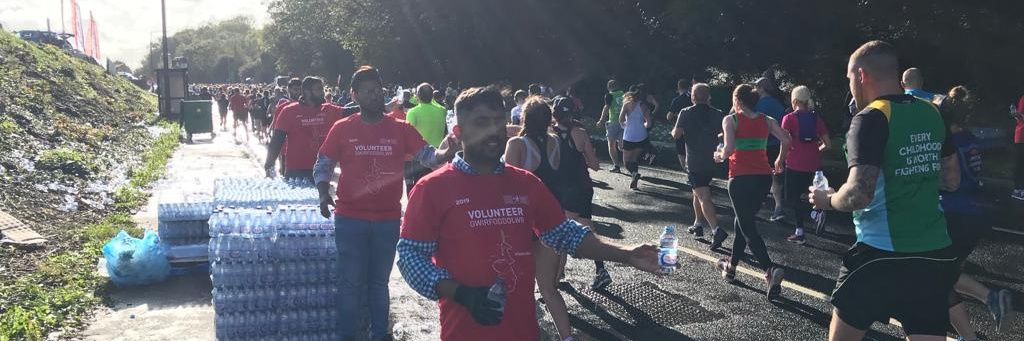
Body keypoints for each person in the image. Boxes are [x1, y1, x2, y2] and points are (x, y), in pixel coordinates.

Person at [396, 85, 660, 341]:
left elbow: (564, 234)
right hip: (464, 332)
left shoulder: (526, 183)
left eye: (498, 122)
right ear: (458, 131)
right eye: (481, 122)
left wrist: (626, 254)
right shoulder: (433, 188)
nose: (492, 131)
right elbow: (410, 256)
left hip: (524, 332)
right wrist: (460, 293)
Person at [809, 40, 961, 341]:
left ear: (861, 76)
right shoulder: (932, 112)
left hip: (880, 254)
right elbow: (951, 180)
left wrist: (826, 200)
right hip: (934, 252)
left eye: (850, 79)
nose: (851, 86)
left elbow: (858, 194)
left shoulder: (870, 118)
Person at [313, 66, 456, 341]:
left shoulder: (400, 128)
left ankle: (379, 335)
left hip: (387, 221)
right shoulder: (342, 128)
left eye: (378, 90)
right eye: (368, 92)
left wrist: (446, 152)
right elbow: (323, 163)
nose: (375, 96)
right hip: (350, 220)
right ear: (354, 95)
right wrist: (322, 192)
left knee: (379, 284)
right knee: (351, 284)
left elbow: (427, 156)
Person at [938, 86, 1015, 340]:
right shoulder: (970, 139)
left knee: (937, 277)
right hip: (974, 212)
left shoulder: (949, 143)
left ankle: (989, 298)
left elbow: (951, 181)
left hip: (954, 214)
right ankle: (969, 329)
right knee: (948, 275)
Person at [713, 84, 790, 299]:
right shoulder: (766, 120)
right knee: (743, 221)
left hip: (740, 178)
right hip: (763, 178)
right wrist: (779, 161)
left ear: (736, 100)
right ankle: (731, 267)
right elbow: (786, 139)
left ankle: (769, 269)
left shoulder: (731, 120)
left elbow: (728, 150)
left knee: (747, 225)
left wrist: (719, 156)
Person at [263, 77, 343, 181]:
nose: (322, 93)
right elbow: (277, 140)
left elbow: (350, 112)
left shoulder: (329, 109)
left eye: (322, 89)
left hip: (322, 170)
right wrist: (269, 165)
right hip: (297, 172)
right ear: (307, 92)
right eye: (318, 89)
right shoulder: (289, 111)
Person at [781, 86, 831, 244]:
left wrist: (779, 159)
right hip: (814, 164)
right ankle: (816, 213)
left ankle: (801, 231)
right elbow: (828, 144)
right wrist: (817, 150)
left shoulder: (788, 118)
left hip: (794, 164)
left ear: (794, 100)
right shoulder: (816, 118)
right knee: (811, 195)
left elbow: (785, 142)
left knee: (792, 197)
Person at [673, 83, 723, 240]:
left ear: (693, 97)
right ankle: (698, 224)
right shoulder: (718, 113)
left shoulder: (686, 112)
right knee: (697, 191)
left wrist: (674, 131)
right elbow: (723, 134)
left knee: (703, 196)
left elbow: (677, 135)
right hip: (712, 160)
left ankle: (716, 230)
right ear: (709, 97)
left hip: (695, 161)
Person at [754, 77, 789, 222]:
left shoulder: (757, 105)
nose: (754, 90)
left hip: (761, 145)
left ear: (761, 88)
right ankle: (778, 206)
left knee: (758, 176)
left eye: (756, 87)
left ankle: (754, 206)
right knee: (776, 177)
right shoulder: (778, 104)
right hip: (776, 144)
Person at [619, 84, 653, 190]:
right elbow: (649, 123)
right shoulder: (644, 106)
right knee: (634, 159)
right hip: (641, 135)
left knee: (626, 161)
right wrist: (643, 126)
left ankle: (634, 173)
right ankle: (635, 177)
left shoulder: (626, 104)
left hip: (629, 135)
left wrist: (625, 126)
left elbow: (621, 119)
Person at [597, 80, 626, 173]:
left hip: (613, 122)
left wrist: (601, 120)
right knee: (622, 146)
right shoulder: (624, 94)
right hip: (624, 122)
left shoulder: (609, 95)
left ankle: (616, 166)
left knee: (611, 145)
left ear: (609, 87)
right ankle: (630, 163)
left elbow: (606, 108)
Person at [668, 78, 695, 170]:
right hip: (693, 127)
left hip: (680, 128)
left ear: (678, 87)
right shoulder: (693, 98)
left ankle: (687, 170)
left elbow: (669, 116)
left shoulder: (677, 100)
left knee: (681, 151)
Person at [1013, 93, 1024, 201]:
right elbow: (1019, 117)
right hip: (1022, 136)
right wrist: (1016, 114)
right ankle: (1017, 189)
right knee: (1020, 163)